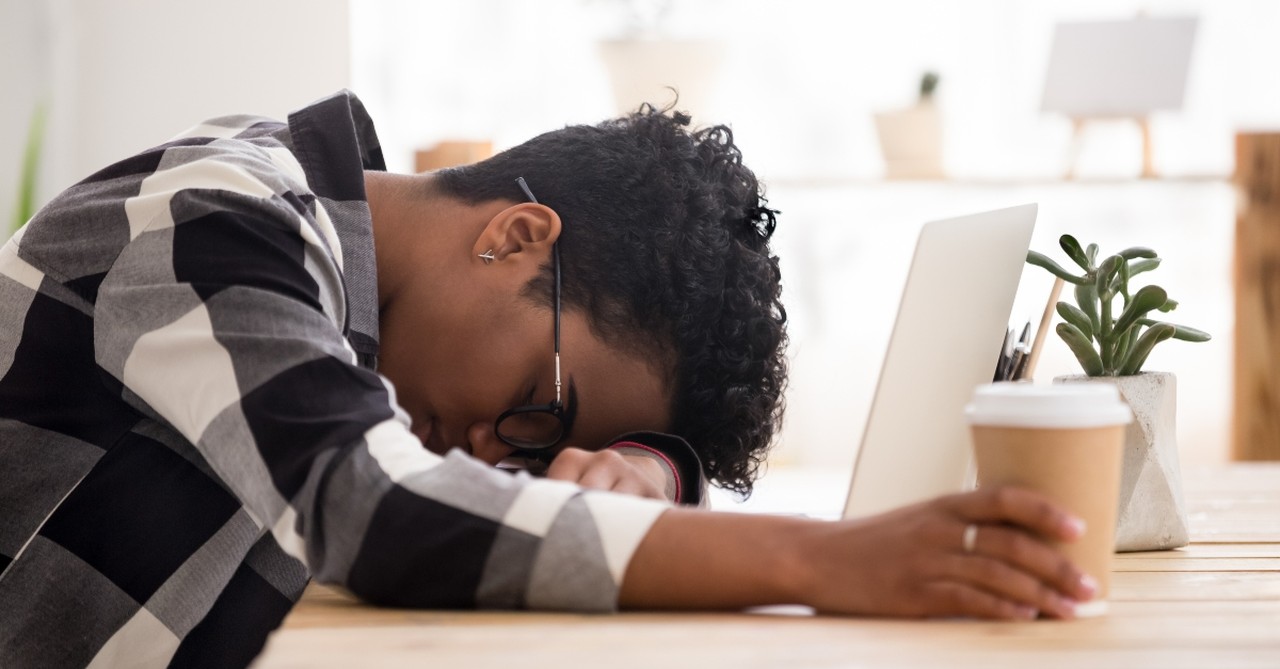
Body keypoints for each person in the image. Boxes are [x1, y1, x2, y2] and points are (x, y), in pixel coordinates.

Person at [0, 91, 1095, 668]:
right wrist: (820, 557)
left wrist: (638, 462)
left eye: (535, 442)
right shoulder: (214, 220)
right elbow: (365, 505)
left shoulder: (362, 305)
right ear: (517, 236)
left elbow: (497, 482)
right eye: (542, 406)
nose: (494, 449)